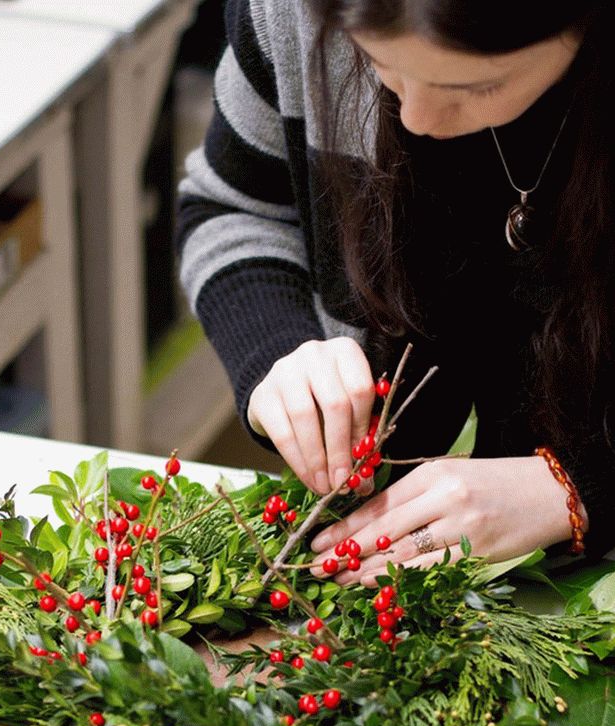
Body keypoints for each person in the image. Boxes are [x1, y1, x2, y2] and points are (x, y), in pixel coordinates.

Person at [176, 0, 613, 587]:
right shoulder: (291, 13)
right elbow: (231, 208)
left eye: (478, 86)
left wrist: (581, 489)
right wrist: (277, 351)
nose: (418, 118)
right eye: (378, 60)